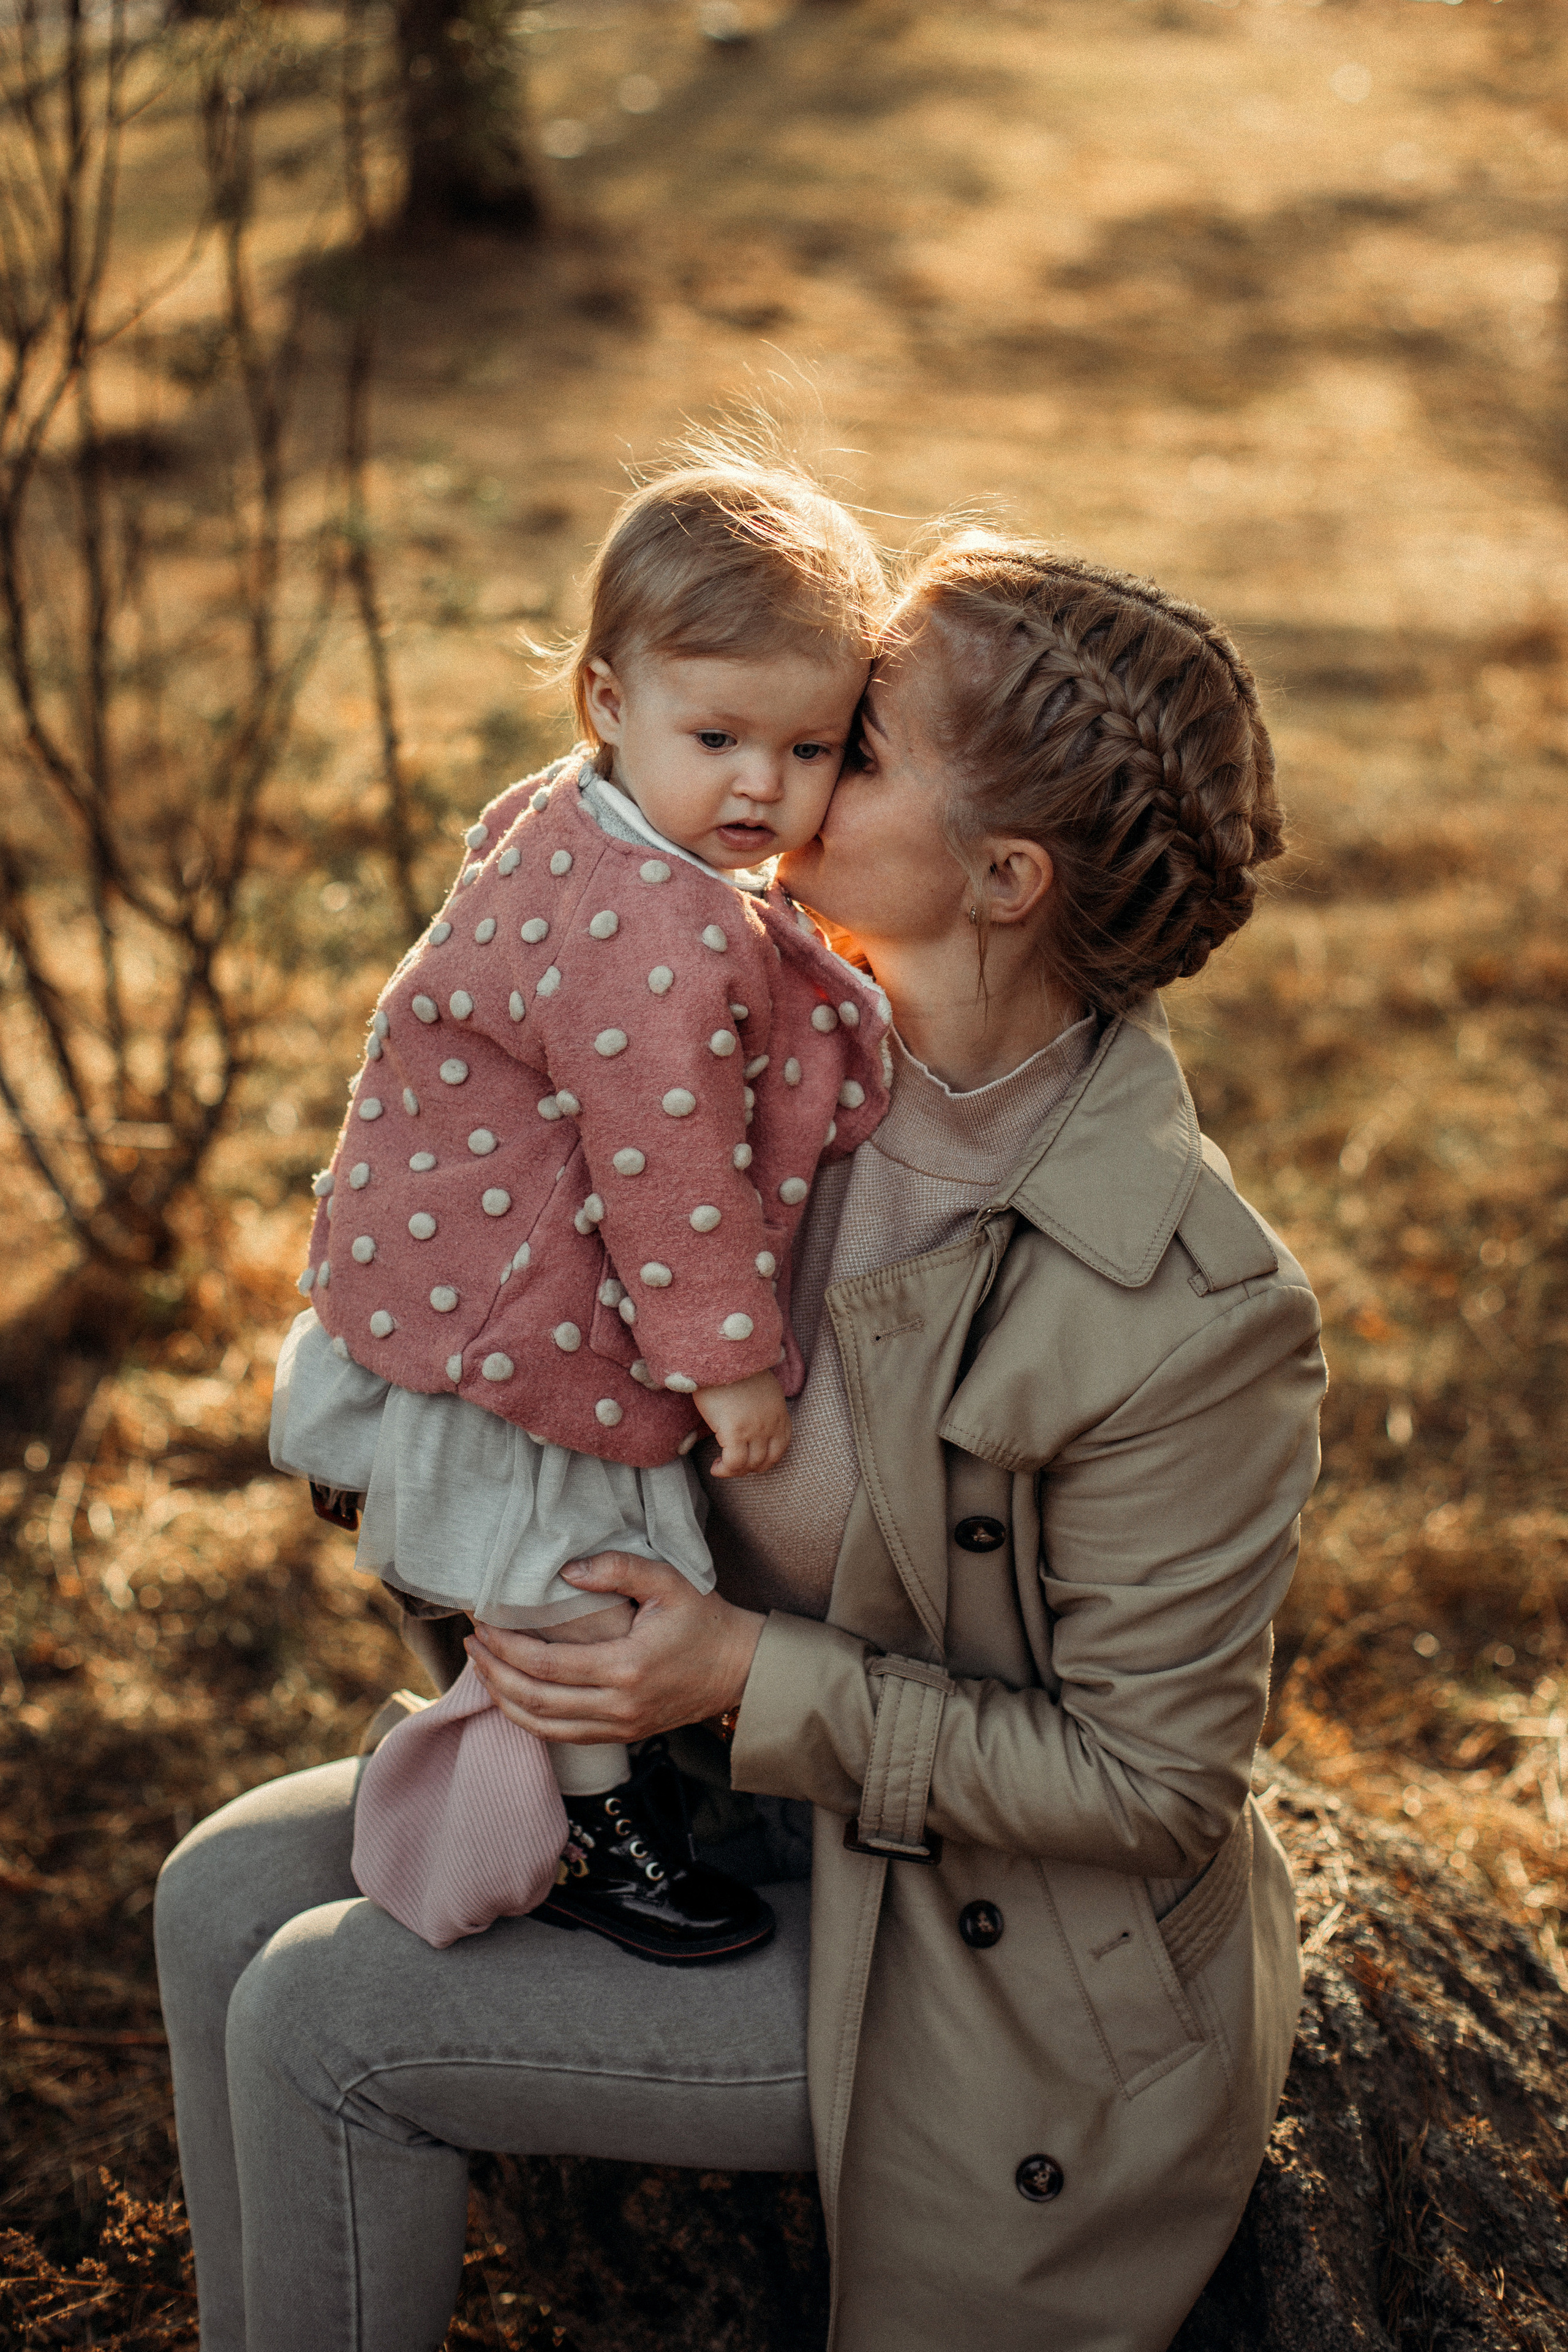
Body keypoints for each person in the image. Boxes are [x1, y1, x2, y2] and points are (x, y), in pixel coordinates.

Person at [156, 533, 1326, 2352]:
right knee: (219, 1891)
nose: (779, 766)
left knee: (332, 2025)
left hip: (982, 1958)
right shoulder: (766, 1038)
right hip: (741, 1818)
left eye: (855, 742)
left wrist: (729, 1676)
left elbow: (1149, 1786)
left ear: (1005, 878)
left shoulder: (1187, 1306)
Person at [269, 457, 893, 1962]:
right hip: (535, 1312)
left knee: (527, 1576)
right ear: (605, 697)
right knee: (591, 1585)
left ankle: (498, 1732)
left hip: (440, 1263)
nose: (764, 786)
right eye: (720, 736)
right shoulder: (661, 934)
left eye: (811, 748)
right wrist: (726, 1361)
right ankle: (609, 1837)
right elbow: (663, 1171)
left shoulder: (580, 814)